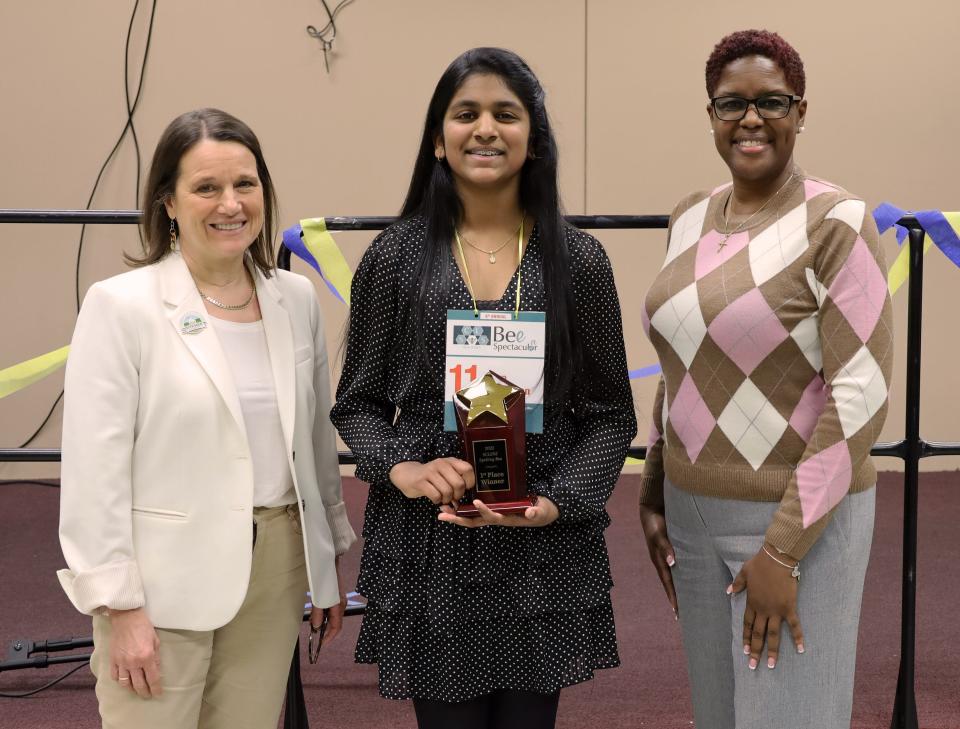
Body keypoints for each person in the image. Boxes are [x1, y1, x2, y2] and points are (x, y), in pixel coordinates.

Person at [331, 47, 636, 729]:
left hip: (539, 543)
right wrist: (404, 469)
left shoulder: (578, 262)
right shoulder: (396, 256)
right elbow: (358, 403)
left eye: (507, 114)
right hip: (429, 540)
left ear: (534, 139)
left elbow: (612, 415)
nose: (487, 129)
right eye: (466, 114)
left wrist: (558, 503)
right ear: (438, 140)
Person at [57, 108, 356, 729]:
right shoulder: (121, 307)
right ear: (168, 201)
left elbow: (313, 446)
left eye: (245, 185)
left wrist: (323, 567)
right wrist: (120, 608)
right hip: (162, 582)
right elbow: (95, 470)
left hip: (274, 570)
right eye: (206, 188)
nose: (231, 204)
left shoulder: (293, 300)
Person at [638, 29, 893, 729]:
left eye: (771, 102)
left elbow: (860, 396)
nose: (750, 118)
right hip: (691, 518)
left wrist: (782, 548)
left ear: (801, 111)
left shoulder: (836, 221)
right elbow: (684, 360)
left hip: (796, 523)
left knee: (791, 718)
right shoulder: (689, 214)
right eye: (731, 104)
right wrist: (656, 484)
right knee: (719, 717)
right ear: (712, 115)